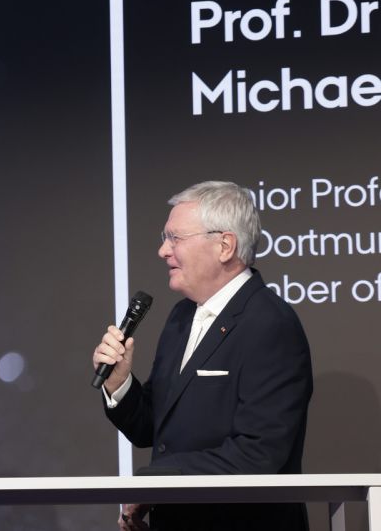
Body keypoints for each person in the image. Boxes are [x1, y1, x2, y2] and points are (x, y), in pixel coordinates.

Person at [92, 181, 313, 531]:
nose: (163, 251)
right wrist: (119, 384)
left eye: (175, 238)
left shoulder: (270, 324)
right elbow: (154, 429)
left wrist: (156, 482)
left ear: (225, 246)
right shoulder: (182, 316)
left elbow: (259, 453)